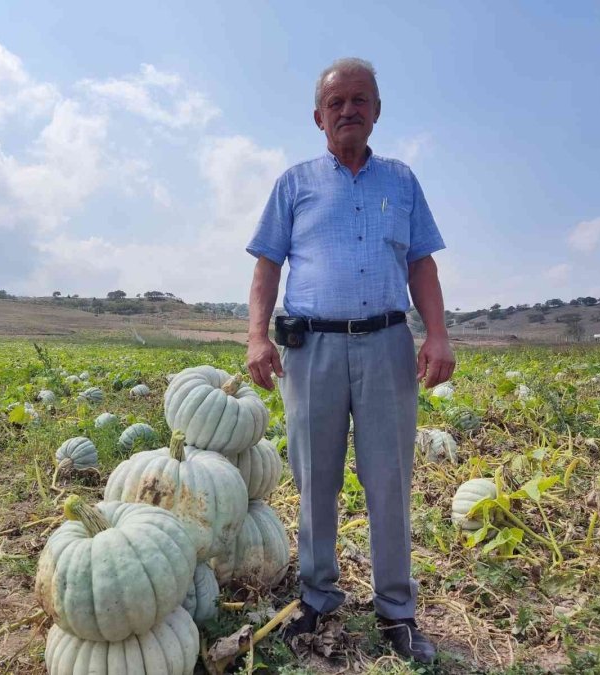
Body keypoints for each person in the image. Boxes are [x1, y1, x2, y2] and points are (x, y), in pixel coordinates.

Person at [244, 57, 454, 665]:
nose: (348, 111)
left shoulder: (402, 181)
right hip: (312, 349)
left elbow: (422, 265)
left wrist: (436, 335)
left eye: (359, 100)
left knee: (389, 478)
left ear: (377, 111)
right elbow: (267, 265)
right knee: (315, 477)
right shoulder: (294, 183)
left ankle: (396, 612)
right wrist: (258, 336)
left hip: (387, 344)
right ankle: (319, 598)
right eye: (336, 103)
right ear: (318, 117)